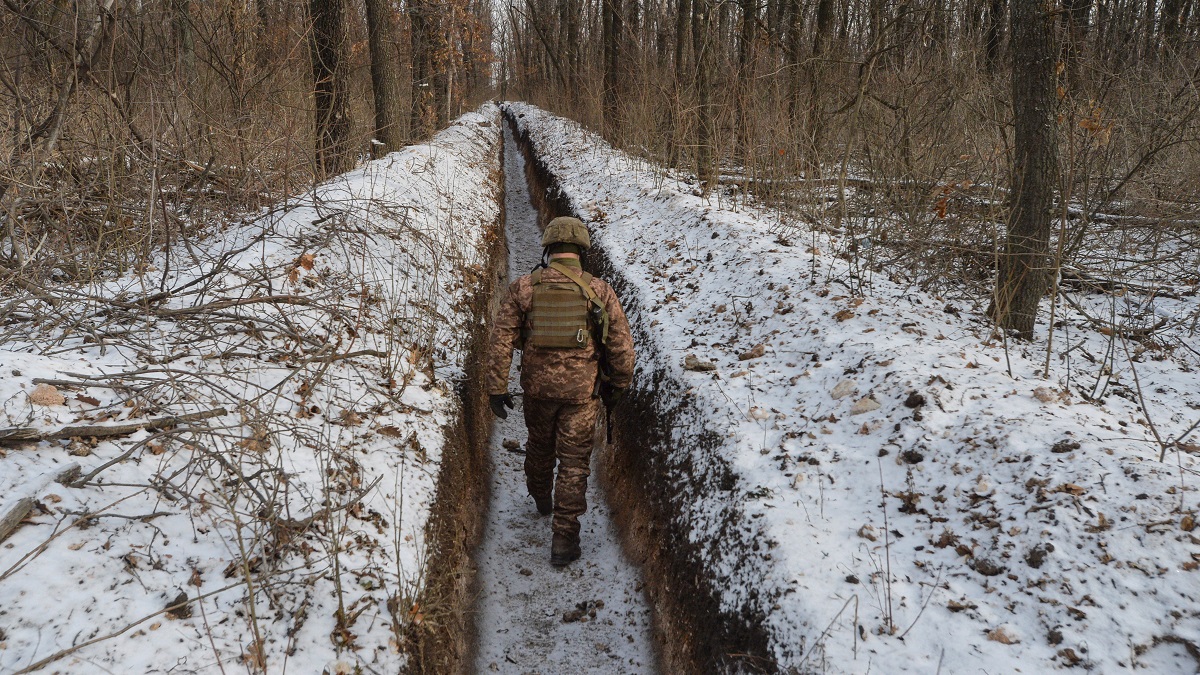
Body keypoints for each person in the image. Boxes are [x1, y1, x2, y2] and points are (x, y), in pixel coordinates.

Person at [486, 216, 636, 566]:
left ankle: (541, 497)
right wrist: (619, 385)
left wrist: (496, 388)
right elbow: (621, 348)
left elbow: (500, 341)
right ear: (581, 250)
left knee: (539, 447)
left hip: (537, 393)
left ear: (548, 248)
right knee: (573, 463)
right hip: (581, 395)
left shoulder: (523, 287)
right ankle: (564, 539)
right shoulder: (599, 291)